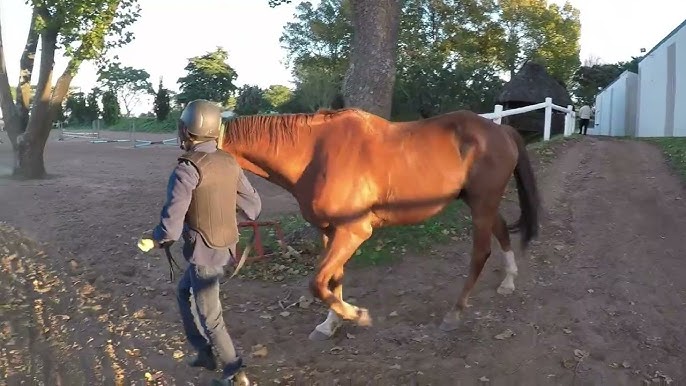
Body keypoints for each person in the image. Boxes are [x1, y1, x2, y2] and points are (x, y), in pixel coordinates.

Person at [138, 99, 261, 386]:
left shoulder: (186, 168)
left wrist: (153, 240)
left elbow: (170, 227)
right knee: (184, 293)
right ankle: (204, 352)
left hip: (204, 254)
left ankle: (235, 373)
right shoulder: (229, 161)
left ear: (186, 132)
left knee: (211, 318)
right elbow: (253, 206)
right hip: (226, 246)